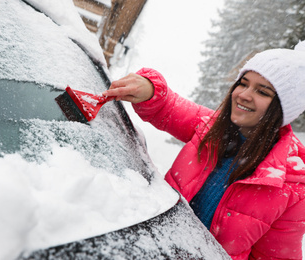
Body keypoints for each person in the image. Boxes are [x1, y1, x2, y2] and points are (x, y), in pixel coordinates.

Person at [103, 42, 305, 259]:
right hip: (147, 247)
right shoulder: (212, 127)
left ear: (283, 109)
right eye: (243, 83)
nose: (244, 95)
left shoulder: (293, 184)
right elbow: (167, 107)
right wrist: (151, 88)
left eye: (262, 92)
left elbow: (275, 256)